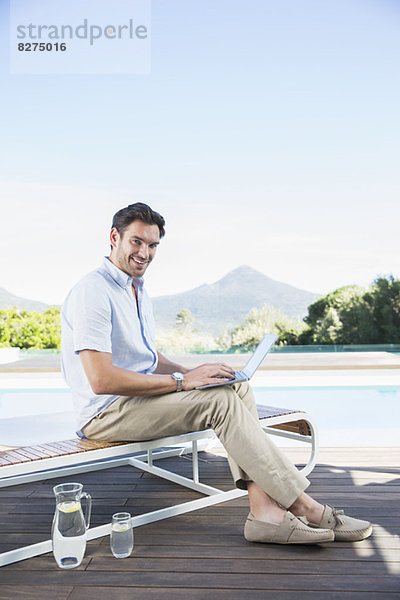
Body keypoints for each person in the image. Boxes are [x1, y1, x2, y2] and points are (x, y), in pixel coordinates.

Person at [61, 202, 372, 545]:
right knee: (221, 403)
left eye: (152, 245)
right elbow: (101, 380)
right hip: (106, 412)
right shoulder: (94, 290)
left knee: (235, 389)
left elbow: (143, 356)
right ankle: (304, 506)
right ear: (114, 237)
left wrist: (189, 371)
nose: (144, 253)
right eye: (136, 242)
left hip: (137, 402)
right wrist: (182, 382)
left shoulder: (135, 289)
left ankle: (264, 512)